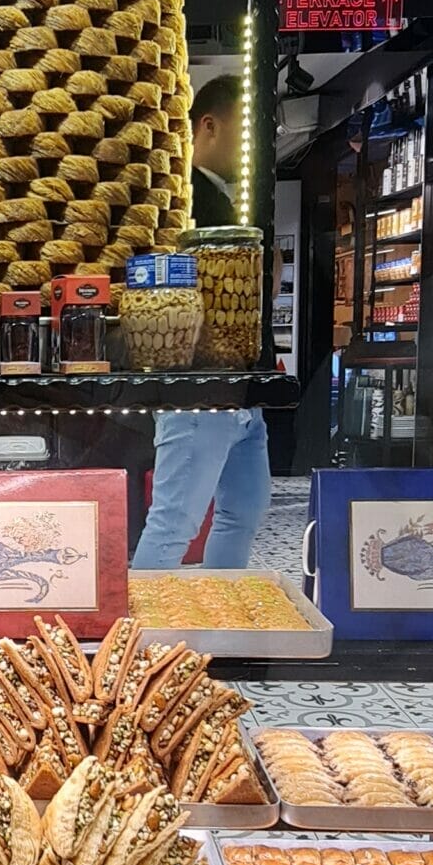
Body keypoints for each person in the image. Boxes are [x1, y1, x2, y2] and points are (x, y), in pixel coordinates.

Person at [131, 73, 272, 571]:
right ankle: (144, 620)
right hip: (199, 386)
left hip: (238, 385)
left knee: (244, 510)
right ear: (208, 126)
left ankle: (220, 605)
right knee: (175, 523)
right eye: (245, 129)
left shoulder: (220, 201)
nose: (253, 146)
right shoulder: (182, 203)